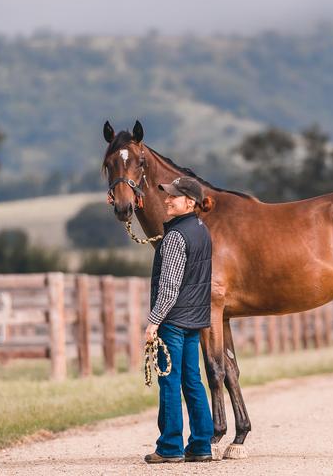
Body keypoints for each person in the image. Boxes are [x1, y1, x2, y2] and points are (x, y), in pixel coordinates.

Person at [144, 176, 214, 464]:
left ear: (190, 202)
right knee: (193, 381)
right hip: (195, 319)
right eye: (167, 195)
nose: (167, 200)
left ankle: (170, 446)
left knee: (170, 381)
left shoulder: (174, 237)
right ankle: (201, 445)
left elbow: (170, 286)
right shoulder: (202, 230)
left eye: (173, 196)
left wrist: (153, 322)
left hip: (173, 321)